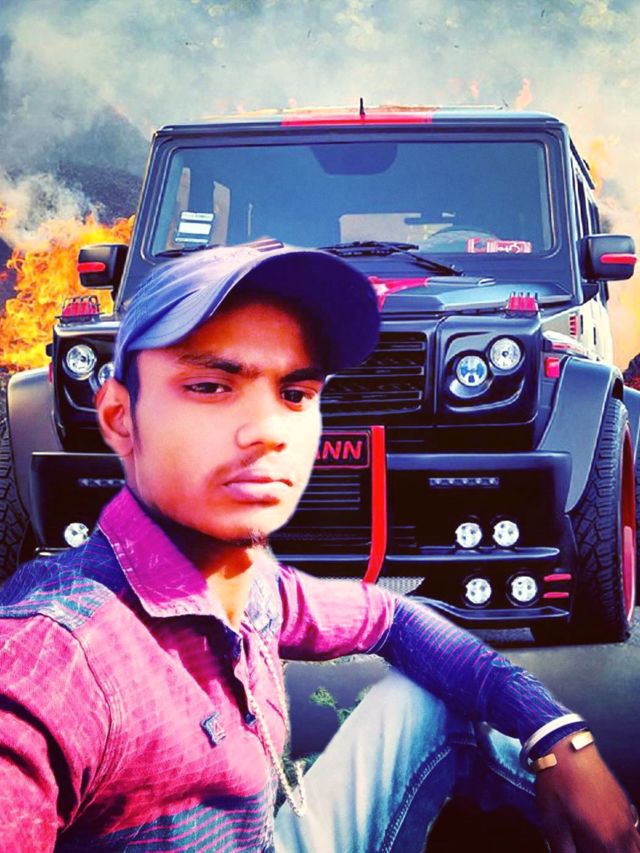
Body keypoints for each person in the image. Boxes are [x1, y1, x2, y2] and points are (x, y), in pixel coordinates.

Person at [0, 242, 638, 853]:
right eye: (211, 386)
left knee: (429, 698)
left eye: (295, 392)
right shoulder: (50, 665)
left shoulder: (250, 586)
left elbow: (390, 617)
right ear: (119, 417)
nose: (268, 431)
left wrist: (558, 734)